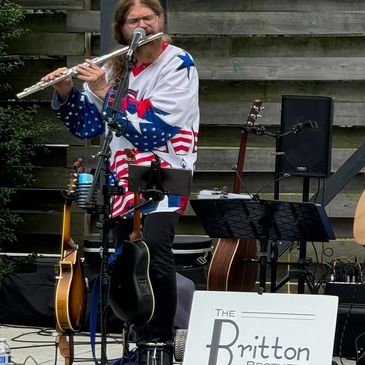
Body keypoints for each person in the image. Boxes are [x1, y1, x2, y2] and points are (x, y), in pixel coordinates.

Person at [41, 0, 199, 362]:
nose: (143, 24)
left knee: (154, 256)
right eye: (134, 20)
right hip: (120, 179)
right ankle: (137, 345)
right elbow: (89, 126)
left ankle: (158, 345)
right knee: (125, 263)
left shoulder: (179, 63)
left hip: (164, 176)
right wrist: (66, 90)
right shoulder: (117, 67)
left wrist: (101, 91)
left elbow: (154, 131)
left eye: (150, 17)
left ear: (160, 20)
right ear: (122, 29)